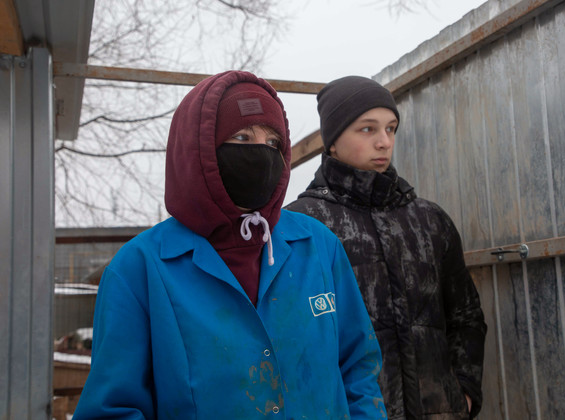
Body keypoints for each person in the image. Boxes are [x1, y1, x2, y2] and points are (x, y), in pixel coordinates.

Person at [73, 70, 386, 419]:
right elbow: (113, 408)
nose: (261, 153)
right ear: (200, 149)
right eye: (242, 137)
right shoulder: (139, 269)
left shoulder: (318, 246)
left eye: (273, 143)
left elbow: (359, 369)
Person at [286, 75, 487, 419]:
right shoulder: (301, 226)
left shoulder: (429, 220)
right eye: (367, 129)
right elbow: (291, 338)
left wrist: (463, 393)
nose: (384, 142)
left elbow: (466, 316)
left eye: (391, 128)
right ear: (332, 142)